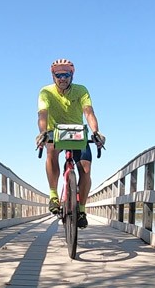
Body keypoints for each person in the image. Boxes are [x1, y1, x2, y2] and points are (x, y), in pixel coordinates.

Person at [35, 58, 106, 228]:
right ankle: (53, 196)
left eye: (66, 74)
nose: (62, 78)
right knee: (51, 150)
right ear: (53, 76)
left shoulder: (81, 90)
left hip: (77, 132)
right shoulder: (46, 92)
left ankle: (81, 209)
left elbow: (88, 112)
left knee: (86, 169)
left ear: (71, 75)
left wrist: (96, 132)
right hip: (55, 131)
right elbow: (42, 114)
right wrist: (42, 133)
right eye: (58, 74)